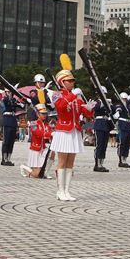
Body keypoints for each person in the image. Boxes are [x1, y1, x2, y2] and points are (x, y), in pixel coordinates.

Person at [51, 67, 94, 201]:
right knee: (62, 161)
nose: (72, 83)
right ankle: (60, 190)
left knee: (71, 162)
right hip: (63, 131)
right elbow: (61, 107)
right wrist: (73, 96)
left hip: (74, 131)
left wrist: (90, 109)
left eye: (72, 80)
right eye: (69, 81)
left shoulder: (75, 96)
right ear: (62, 82)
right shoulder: (57, 94)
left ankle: (67, 190)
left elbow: (85, 113)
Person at [20, 104, 54, 178]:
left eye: (45, 113)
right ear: (38, 114)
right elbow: (38, 133)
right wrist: (50, 133)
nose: (45, 115)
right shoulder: (33, 124)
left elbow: (50, 132)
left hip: (43, 148)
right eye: (42, 113)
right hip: (36, 149)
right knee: (36, 175)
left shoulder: (47, 125)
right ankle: (24, 167)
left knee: (52, 153)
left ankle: (46, 172)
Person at [0, 88, 23, 166]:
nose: (10, 93)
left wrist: (20, 101)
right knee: (6, 141)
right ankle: (4, 159)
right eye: (8, 92)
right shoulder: (4, 99)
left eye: (11, 92)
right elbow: (6, 104)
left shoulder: (14, 100)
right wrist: (10, 98)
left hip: (13, 120)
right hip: (7, 120)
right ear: (6, 92)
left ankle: (9, 158)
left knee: (11, 141)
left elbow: (21, 106)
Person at [113, 92, 130, 168]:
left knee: (128, 143)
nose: (124, 100)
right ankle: (121, 160)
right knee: (122, 142)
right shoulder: (119, 105)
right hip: (123, 125)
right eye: (123, 99)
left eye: (125, 99)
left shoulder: (128, 106)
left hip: (129, 125)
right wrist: (117, 112)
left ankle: (125, 159)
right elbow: (118, 108)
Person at [92, 91, 114, 172]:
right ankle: (97, 164)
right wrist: (102, 103)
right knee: (99, 145)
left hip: (106, 125)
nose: (104, 95)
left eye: (105, 94)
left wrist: (110, 105)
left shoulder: (107, 102)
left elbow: (113, 111)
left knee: (104, 145)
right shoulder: (97, 102)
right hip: (99, 124)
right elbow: (95, 108)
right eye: (102, 94)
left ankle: (101, 163)